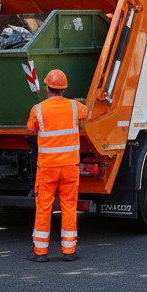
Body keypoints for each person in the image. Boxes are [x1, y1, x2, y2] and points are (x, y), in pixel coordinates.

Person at [25, 68, 88, 263]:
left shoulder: (38, 109)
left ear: (47, 87)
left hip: (48, 168)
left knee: (44, 207)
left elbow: (31, 127)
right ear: (64, 89)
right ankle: (69, 251)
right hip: (70, 166)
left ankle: (40, 252)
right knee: (69, 206)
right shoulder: (75, 106)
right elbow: (85, 112)